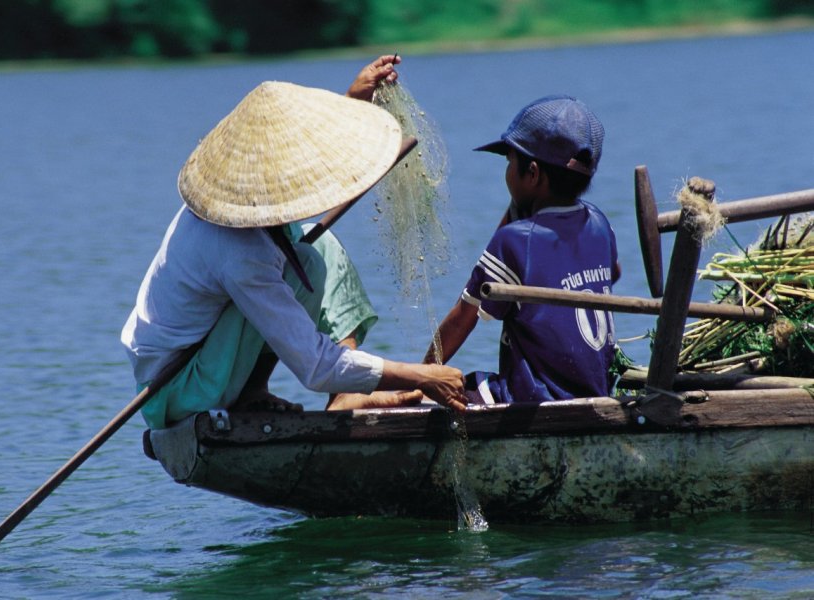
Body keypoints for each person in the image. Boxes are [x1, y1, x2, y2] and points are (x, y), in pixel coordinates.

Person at [121, 58, 467, 430]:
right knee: (289, 273)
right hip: (179, 387)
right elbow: (315, 367)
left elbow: (308, 157)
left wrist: (353, 103)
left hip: (207, 354)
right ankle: (295, 387)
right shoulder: (240, 251)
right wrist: (420, 376)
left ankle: (290, 390)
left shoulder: (243, 205)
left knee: (318, 251)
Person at [424, 94, 620, 404]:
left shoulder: (515, 241)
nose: (506, 172)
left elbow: (465, 316)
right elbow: (614, 272)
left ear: (532, 173)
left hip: (534, 398)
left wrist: (422, 376)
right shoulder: (598, 221)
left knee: (439, 392)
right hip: (595, 390)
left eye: (509, 162)